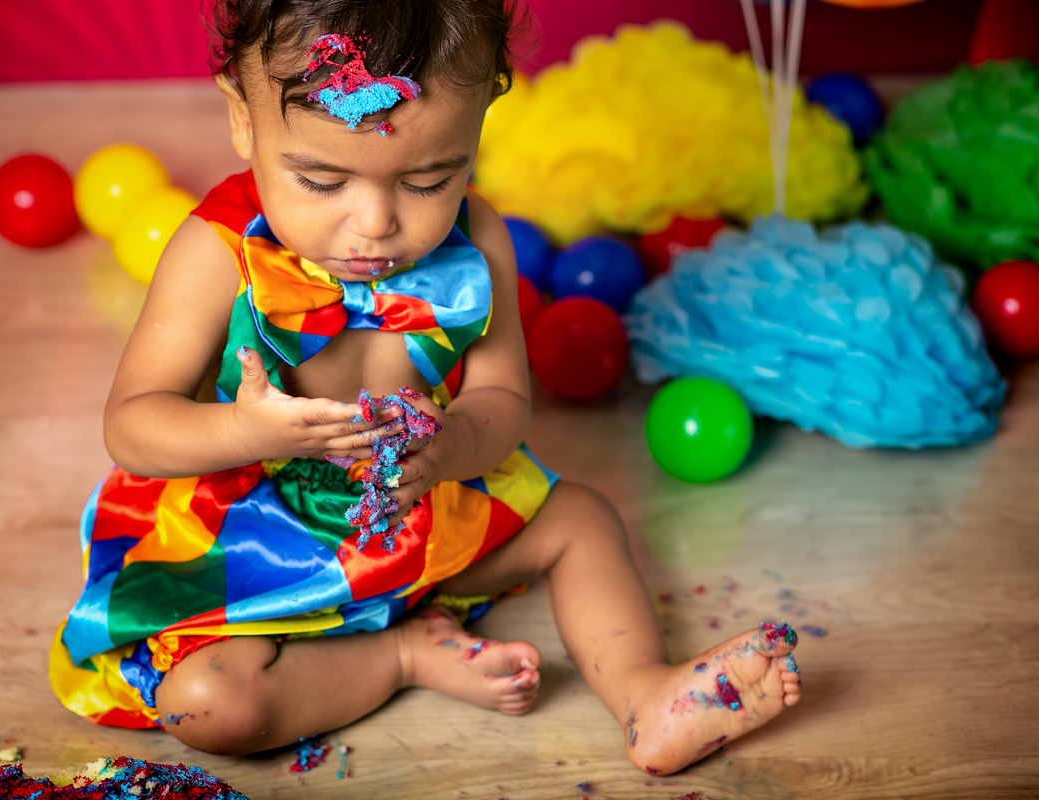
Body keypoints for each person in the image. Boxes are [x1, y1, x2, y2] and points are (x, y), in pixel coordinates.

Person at [48, 0, 801, 776]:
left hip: (424, 513)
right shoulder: (213, 254)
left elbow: (505, 402)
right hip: (262, 545)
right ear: (243, 121)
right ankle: (403, 655)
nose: (374, 223)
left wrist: (451, 447)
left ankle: (644, 693)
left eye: (428, 180)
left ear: (478, 130)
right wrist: (253, 432)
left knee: (584, 518)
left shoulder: (480, 239)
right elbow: (133, 427)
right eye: (320, 180)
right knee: (208, 702)